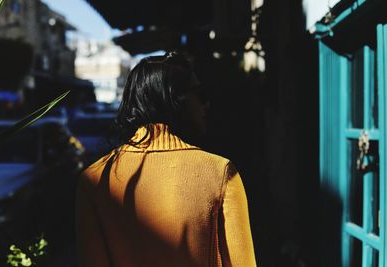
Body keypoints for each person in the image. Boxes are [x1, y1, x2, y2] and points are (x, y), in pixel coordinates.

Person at [75, 51, 257, 267]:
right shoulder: (221, 173)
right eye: (200, 94)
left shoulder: (94, 180)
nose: (206, 104)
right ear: (174, 98)